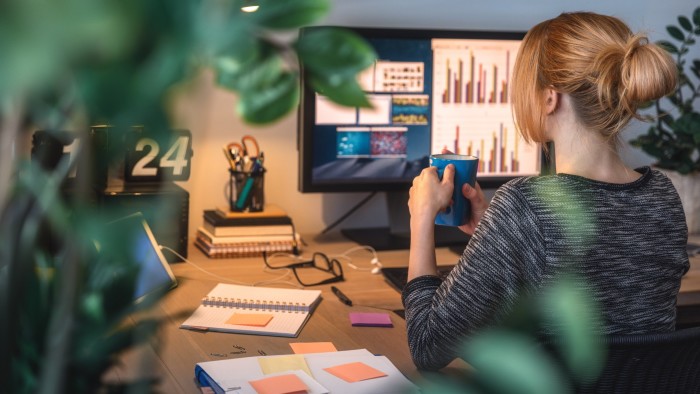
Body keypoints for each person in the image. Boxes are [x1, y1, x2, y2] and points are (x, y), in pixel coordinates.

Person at [403, 11, 690, 371]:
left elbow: (427, 347)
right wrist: (494, 240)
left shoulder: (524, 205)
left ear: (550, 98)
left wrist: (422, 218)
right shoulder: (663, 195)